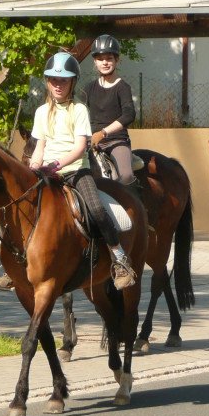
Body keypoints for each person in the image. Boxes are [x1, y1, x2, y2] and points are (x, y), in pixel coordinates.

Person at [28, 51, 136, 290]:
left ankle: (119, 258)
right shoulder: (40, 112)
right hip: (46, 173)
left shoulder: (78, 110)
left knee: (96, 209)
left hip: (75, 171)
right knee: (25, 206)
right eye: (54, 80)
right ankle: (16, 262)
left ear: (72, 82)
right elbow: (40, 147)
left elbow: (79, 148)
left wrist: (56, 164)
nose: (58, 85)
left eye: (64, 80)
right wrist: (34, 167)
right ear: (47, 81)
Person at [82, 34, 139, 197]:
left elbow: (129, 114)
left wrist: (103, 133)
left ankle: (135, 213)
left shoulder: (123, 87)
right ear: (95, 61)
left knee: (126, 175)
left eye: (109, 58)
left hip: (116, 141)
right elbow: (78, 112)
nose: (105, 62)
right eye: (100, 59)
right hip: (91, 143)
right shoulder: (88, 88)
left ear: (117, 60)